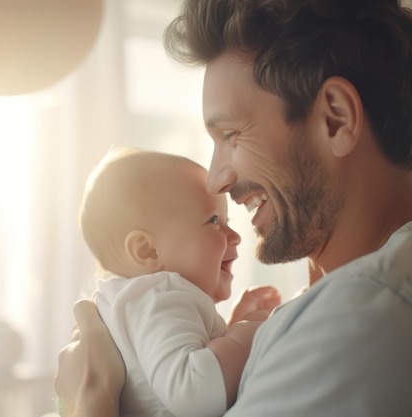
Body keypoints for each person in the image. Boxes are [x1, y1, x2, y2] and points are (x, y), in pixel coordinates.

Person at [55, 0, 412, 416]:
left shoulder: (359, 320)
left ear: (335, 120)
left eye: (230, 135)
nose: (216, 179)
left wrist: (89, 399)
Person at [66, 147, 281, 417]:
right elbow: (193, 393)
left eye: (225, 220)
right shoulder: (158, 295)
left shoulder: (138, 303)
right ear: (148, 251)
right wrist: (250, 334)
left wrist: (231, 328)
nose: (235, 235)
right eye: (213, 220)